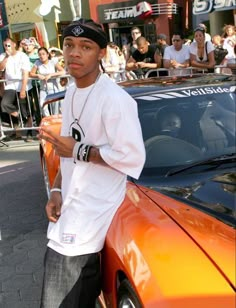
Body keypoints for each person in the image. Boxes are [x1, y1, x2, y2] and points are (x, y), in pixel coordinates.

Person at [38, 18, 146, 308]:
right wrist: (57, 190)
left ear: (101, 53)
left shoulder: (115, 100)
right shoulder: (72, 89)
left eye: (85, 47)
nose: (74, 53)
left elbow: (131, 157)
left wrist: (81, 150)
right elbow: (66, 147)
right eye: (69, 45)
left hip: (88, 223)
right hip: (71, 212)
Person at [0, 37, 33, 140]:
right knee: (5, 104)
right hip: (10, 85)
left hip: (23, 85)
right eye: (5, 45)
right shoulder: (2, 56)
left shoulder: (22, 56)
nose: (7, 47)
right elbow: (1, 69)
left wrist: (23, 89)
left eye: (8, 45)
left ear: (14, 44)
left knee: (26, 111)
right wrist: (6, 57)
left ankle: (29, 133)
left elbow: (25, 72)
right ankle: (18, 119)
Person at [30, 47, 65, 117]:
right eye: (40, 54)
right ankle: (48, 119)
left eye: (43, 54)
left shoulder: (53, 61)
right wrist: (38, 75)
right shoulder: (37, 63)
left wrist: (51, 75)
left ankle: (54, 121)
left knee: (54, 107)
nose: (41, 56)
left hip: (53, 87)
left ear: (47, 55)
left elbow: (63, 71)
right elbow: (31, 73)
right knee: (42, 104)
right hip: (43, 88)